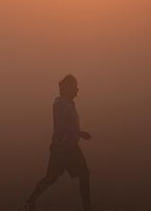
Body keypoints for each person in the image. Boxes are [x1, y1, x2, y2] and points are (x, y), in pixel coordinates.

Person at [24, 75, 92, 211]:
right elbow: (61, 127)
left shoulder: (69, 104)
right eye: (74, 87)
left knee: (83, 175)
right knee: (51, 178)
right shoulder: (60, 105)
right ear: (66, 89)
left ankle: (87, 207)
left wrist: (78, 134)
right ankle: (31, 200)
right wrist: (80, 133)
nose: (77, 90)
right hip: (61, 148)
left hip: (72, 147)